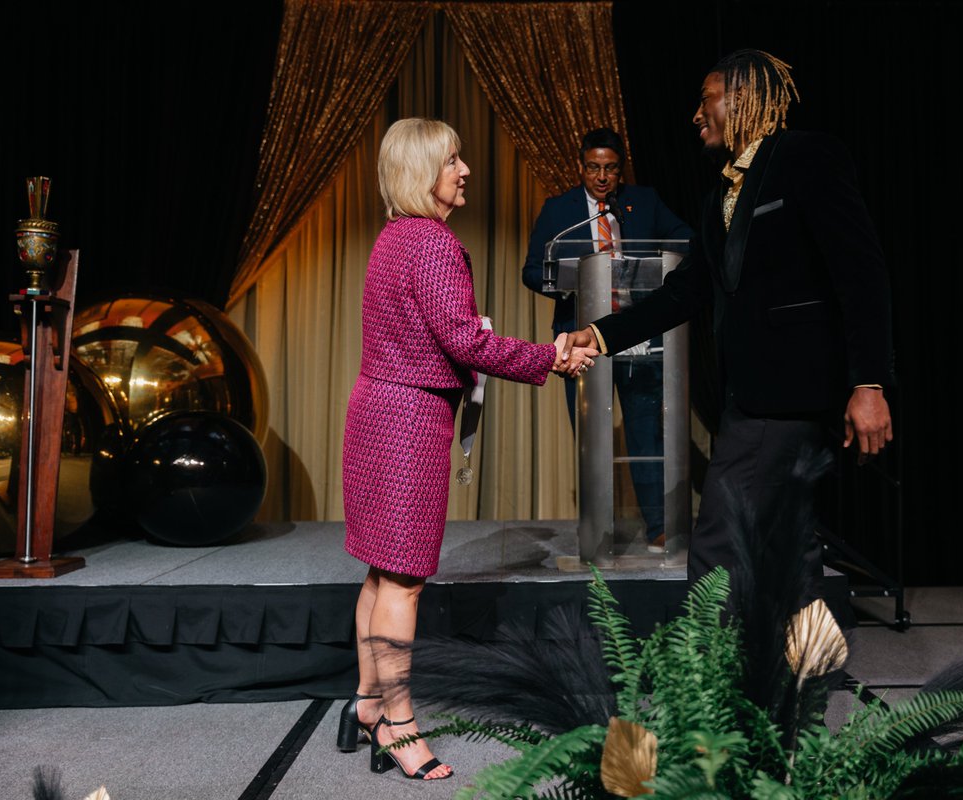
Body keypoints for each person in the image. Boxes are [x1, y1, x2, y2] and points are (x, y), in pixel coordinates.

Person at [561, 50, 894, 597]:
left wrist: (869, 383)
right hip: (747, 400)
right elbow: (685, 291)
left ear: (740, 99)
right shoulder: (719, 195)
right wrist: (599, 335)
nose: (697, 114)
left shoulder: (808, 157)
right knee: (787, 545)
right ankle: (798, 671)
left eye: (705, 99)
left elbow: (861, 273)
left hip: (791, 399)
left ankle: (707, 676)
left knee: (717, 544)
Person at [337, 118, 596, 781]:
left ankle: (367, 704)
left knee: (379, 572)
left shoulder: (395, 238)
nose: (465, 169)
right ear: (422, 171)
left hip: (377, 411)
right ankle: (399, 725)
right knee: (403, 582)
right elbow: (468, 343)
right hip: (408, 425)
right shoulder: (429, 243)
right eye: (452, 159)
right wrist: (554, 356)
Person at [522, 127, 692, 551]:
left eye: (610, 168)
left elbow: (686, 241)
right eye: (594, 168)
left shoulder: (644, 202)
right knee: (590, 434)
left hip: (638, 339)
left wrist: (659, 268)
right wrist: (564, 283)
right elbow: (531, 270)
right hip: (581, 341)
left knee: (644, 433)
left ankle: (657, 526)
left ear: (621, 170)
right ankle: (597, 531)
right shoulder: (561, 211)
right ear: (581, 167)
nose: (602, 176)